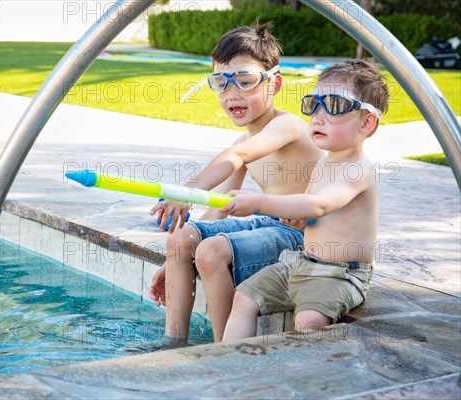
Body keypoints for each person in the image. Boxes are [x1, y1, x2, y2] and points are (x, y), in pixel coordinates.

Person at [148, 24, 324, 345]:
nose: (232, 94)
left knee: (212, 251)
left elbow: (238, 154)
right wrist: (175, 260)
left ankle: (223, 350)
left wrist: (185, 193)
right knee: (181, 239)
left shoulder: (287, 126)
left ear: (275, 84)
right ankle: (171, 345)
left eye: (245, 82)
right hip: (271, 225)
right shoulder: (243, 142)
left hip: (304, 234)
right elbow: (218, 210)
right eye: (221, 83)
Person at [221, 59, 389, 340]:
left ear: (367, 123)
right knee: (244, 297)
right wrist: (299, 221)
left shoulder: (358, 169)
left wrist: (258, 203)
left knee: (309, 320)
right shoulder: (324, 163)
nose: (318, 117)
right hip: (302, 263)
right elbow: (312, 212)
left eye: (334, 106)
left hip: (340, 275)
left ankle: (308, 377)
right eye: (314, 104)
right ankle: (230, 364)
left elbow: (318, 205)